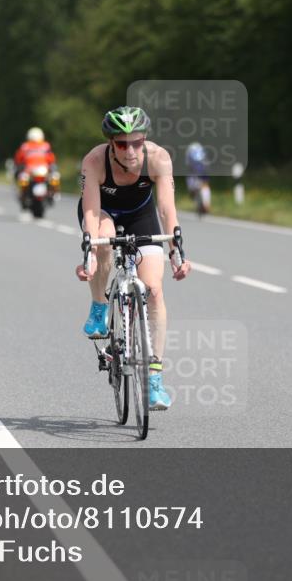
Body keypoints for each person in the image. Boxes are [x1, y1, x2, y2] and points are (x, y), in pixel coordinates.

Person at [75, 106, 191, 410]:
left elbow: (166, 209)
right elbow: (91, 213)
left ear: (145, 140)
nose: (130, 151)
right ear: (111, 143)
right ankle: (99, 306)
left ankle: (154, 379)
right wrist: (89, 255)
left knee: (153, 290)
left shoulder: (159, 158)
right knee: (103, 242)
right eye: (122, 144)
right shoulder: (94, 161)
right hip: (102, 212)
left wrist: (176, 252)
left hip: (141, 215)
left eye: (137, 143)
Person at [14, 127, 59, 211]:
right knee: (22, 180)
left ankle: (53, 194)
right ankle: (24, 196)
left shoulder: (28, 146)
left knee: (54, 178)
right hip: (33, 172)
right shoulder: (43, 146)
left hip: (38, 171)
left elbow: (18, 159)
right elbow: (52, 159)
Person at [185, 142, 211, 216]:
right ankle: (207, 205)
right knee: (205, 185)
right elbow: (207, 162)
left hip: (194, 171)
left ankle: (193, 195)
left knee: (192, 187)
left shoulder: (189, 150)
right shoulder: (201, 150)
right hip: (203, 170)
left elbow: (188, 164)